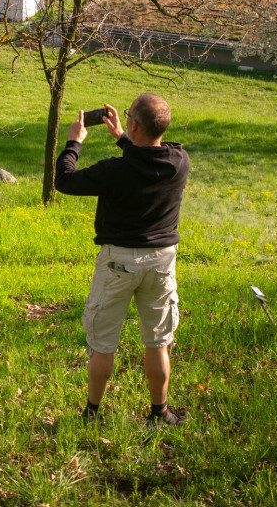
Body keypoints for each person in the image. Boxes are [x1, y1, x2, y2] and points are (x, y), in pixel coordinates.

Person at [54, 94, 190, 426]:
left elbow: (64, 180)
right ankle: (160, 413)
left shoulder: (114, 171)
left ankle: (92, 414)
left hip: (118, 262)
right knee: (158, 342)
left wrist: (74, 142)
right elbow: (146, 159)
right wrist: (123, 138)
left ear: (133, 123)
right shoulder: (178, 161)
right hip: (161, 262)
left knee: (104, 345)